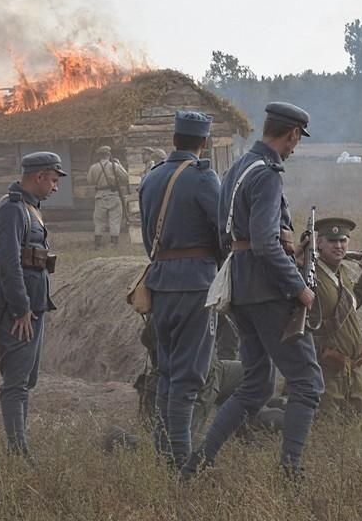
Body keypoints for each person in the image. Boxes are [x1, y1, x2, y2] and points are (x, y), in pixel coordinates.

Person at [183, 102, 322, 480]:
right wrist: (298, 288)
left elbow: (226, 234)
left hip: (241, 286)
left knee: (256, 387)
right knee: (308, 382)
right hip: (267, 290)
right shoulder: (269, 174)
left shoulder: (236, 169)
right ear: (291, 134)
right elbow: (263, 242)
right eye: (296, 140)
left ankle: (198, 463)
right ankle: (291, 473)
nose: (295, 148)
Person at [137, 111, 222, 470]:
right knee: (188, 378)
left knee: (168, 373)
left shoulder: (151, 178)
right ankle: (181, 463)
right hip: (196, 284)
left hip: (161, 282)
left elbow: (146, 237)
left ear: (174, 139)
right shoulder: (203, 177)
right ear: (203, 143)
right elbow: (224, 231)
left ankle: (165, 454)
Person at [0, 152, 65, 463]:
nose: (56, 187)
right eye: (53, 180)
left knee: (26, 380)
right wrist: (21, 308)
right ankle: (18, 453)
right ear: (38, 176)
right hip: (20, 310)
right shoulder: (12, 210)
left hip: (33, 306)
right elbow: (8, 264)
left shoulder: (28, 208)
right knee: (17, 381)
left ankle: (20, 445)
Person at [310, 217, 362, 418]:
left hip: (351, 368)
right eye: (332, 241)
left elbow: (350, 306)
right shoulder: (310, 274)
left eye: (343, 240)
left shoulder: (343, 272)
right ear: (319, 243)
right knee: (325, 429)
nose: (338, 246)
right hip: (325, 370)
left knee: (360, 426)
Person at [87, 146, 129, 249]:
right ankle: (113, 243)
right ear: (109, 154)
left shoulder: (93, 167)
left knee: (99, 221)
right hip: (113, 195)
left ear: (99, 155)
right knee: (115, 219)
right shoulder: (114, 166)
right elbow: (126, 178)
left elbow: (90, 181)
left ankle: (97, 244)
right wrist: (119, 164)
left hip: (100, 196)